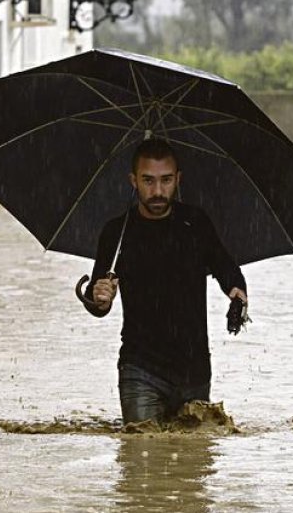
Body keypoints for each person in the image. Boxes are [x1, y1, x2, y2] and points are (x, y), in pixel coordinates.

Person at [82, 138, 247, 424]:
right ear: (133, 180)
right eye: (148, 181)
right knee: (142, 456)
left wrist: (237, 294)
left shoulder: (195, 223)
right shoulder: (117, 232)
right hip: (140, 369)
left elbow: (227, 269)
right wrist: (98, 297)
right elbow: (98, 303)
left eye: (166, 180)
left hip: (193, 371)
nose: (157, 191)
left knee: (192, 464)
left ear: (178, 179)